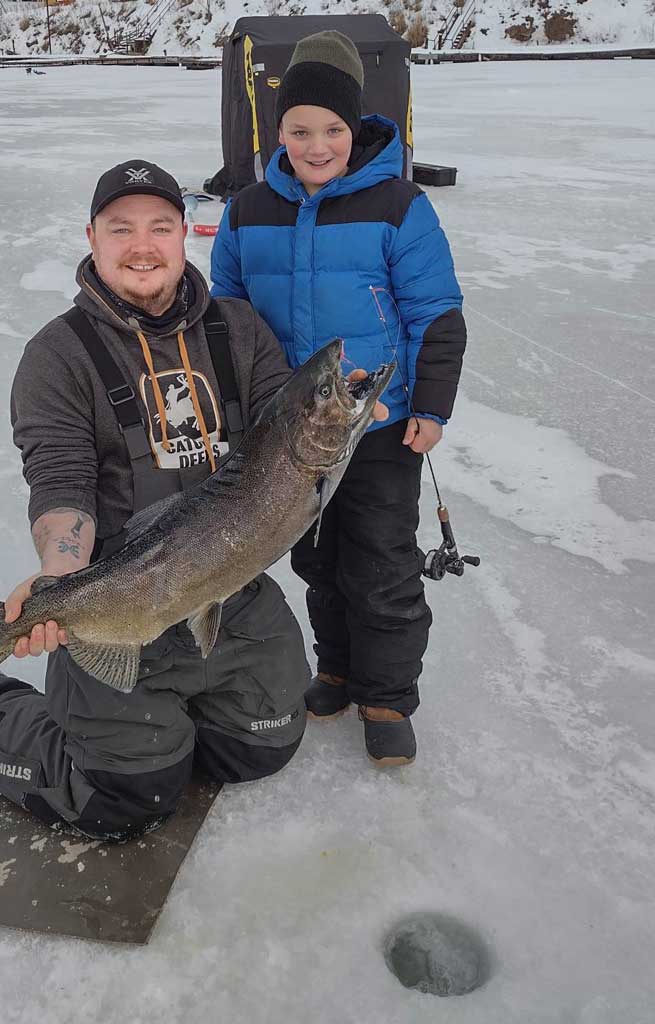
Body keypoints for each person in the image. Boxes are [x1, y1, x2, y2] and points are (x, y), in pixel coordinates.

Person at [0, 160, 313, 842]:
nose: (143, 245)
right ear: (92, 237)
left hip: (227, 591)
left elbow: (285, 440)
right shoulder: (57, 356)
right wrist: (59, 576)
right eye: (122, 229)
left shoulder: (242, 330)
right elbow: (61, 480)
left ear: (183, 237)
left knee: (261, 747)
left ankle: (162, 724)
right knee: (123, 798)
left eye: (160, 227)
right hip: (119, 599)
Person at [210, 30, 468, 768]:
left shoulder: (399, 205)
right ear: (277, 130)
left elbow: (437, 314)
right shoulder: (247, 210)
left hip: (377, 428)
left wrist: (431, 407)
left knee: (381, 564)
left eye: (331, 129)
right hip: (285, 433)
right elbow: (227, 316)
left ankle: (387, 695)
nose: (315, 145)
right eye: (299, 129)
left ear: (354, 130)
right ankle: (338, 668)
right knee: (316, 562)